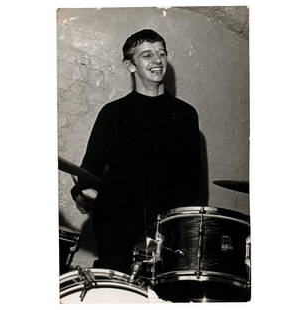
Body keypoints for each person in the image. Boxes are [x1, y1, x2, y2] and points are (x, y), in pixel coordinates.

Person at [71, 29, 201, 275]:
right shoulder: (113, 113)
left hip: (166, 232)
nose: (157, 60)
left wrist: (170, 229)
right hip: (116, 228)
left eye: (162, 53)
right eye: (147, 55)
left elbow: (192, 182)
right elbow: (90, 169)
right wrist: (83, 192)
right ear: (130, 65)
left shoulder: (186, 114)